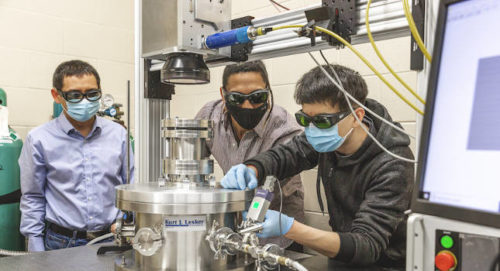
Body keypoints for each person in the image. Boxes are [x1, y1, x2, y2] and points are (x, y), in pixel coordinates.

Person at [220, 64, 414, 267]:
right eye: (304, 119)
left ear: (357, 116)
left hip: (385, 263)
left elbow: (367, 245)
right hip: (342, 255)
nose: (311, 129)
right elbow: (286, 156)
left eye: (322, 121)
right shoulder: (328, 137)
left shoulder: (393, 164)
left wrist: (288, 228)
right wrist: (253, 168)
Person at [19, 60, 134, 251]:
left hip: (111, 239)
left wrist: (124, 220)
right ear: (56, 95)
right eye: (74, 95)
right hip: (61, 243)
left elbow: (130, 187)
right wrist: (35, 249)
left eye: (92, 94)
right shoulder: (39, 139)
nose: (85, 101)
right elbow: (33, 197)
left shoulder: (118, 134)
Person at [195, 61, 305, 249]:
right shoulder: (210, 116)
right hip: (232, 230)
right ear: (223, 95)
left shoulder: (285, 130)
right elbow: (193, 167)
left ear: (268, 91)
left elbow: (281, 164)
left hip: (276, 232)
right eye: (237, 99)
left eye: (257, 97)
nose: (248, 106)